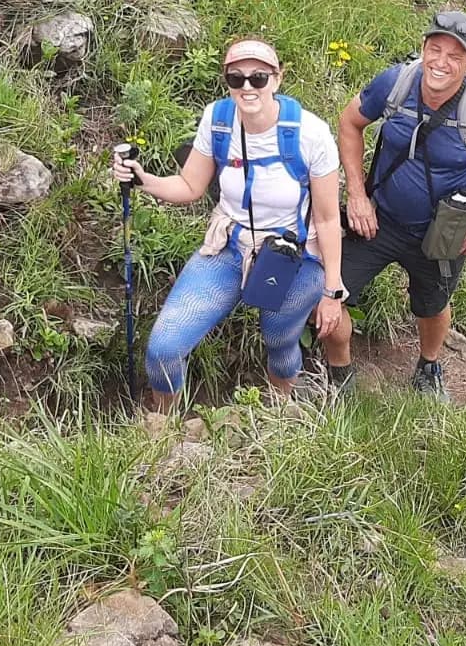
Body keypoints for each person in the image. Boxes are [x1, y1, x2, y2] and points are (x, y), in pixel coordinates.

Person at [320, 10, 466, 399]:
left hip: (443, 231)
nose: (441, 62)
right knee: (329, 291)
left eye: (454, 55)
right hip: (378, 218)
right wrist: (357, 195)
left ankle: (429, 366)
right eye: (435, 49)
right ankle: (340, 374)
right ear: (424, 48)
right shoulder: (396, 83)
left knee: (433, 304)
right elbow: (350, 122)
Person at [112, 39, 346, 411]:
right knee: (163, 348)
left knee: (280, 340)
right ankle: (160, 431)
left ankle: (279, 414)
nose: (248, 87)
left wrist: (332, 291)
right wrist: (143, 180)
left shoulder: (310, 134)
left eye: (258, 77)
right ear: (227, 81)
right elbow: (190, 186)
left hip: (293, 256)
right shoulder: (218, 120)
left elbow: (328, 218)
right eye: (236, 78)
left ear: (277, 79)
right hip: (229, 245)